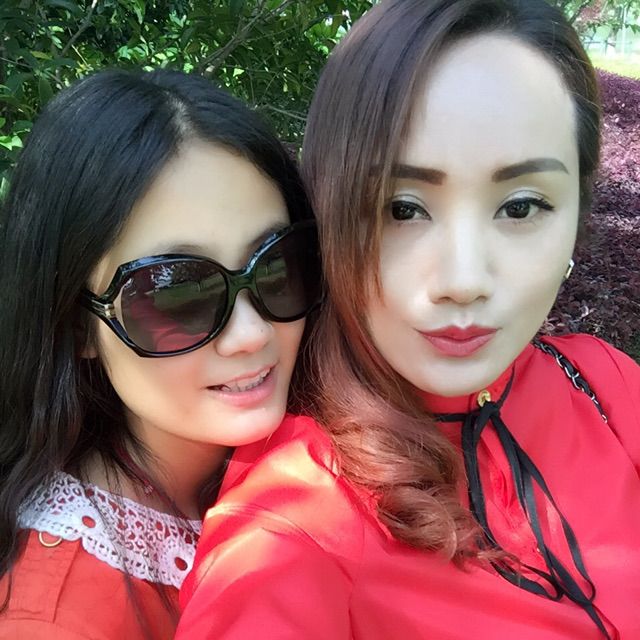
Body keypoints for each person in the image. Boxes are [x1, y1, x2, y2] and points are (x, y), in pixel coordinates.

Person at [177, 0, 640, 638]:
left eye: (522, 206)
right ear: (330, 211)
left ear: (577, 213)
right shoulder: (292, 529)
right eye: (401, 208)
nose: (463, 280)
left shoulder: (604, 384)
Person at [0, 68, 321, 639]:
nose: (251, 333)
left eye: (277, 265)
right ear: (77, 324)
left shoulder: (325, 446)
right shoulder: (56, 620)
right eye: (176, 295)